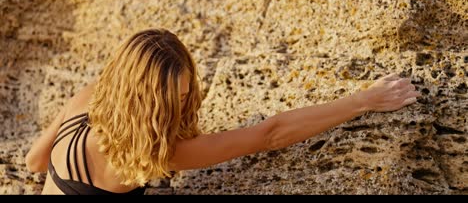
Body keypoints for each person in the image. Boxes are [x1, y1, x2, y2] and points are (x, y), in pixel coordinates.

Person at [25, 28, 421, 195]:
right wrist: (362, 100)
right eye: (169, 100)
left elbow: (34, 161)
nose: (180, 105)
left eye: (182, 93)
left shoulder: (90, 96)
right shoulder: (153, 152)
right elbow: (269, 135)